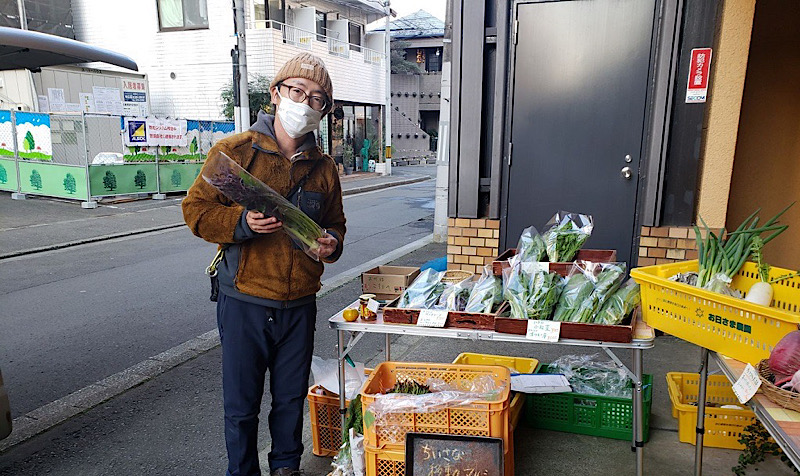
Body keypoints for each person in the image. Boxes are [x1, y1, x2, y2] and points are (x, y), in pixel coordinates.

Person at [182, 53, 346, 476]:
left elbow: (335, 224)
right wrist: (241, 222)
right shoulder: (234, 153)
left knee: (291, 399)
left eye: (318, 99)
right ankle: (242, 471)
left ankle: (285, 469)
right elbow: (196, 212)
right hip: (245, 300)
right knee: (242, 404)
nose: (306, 104)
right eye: (298, 92)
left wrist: (331, 245)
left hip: (300, 303)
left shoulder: (324, 168)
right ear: (276, 94)